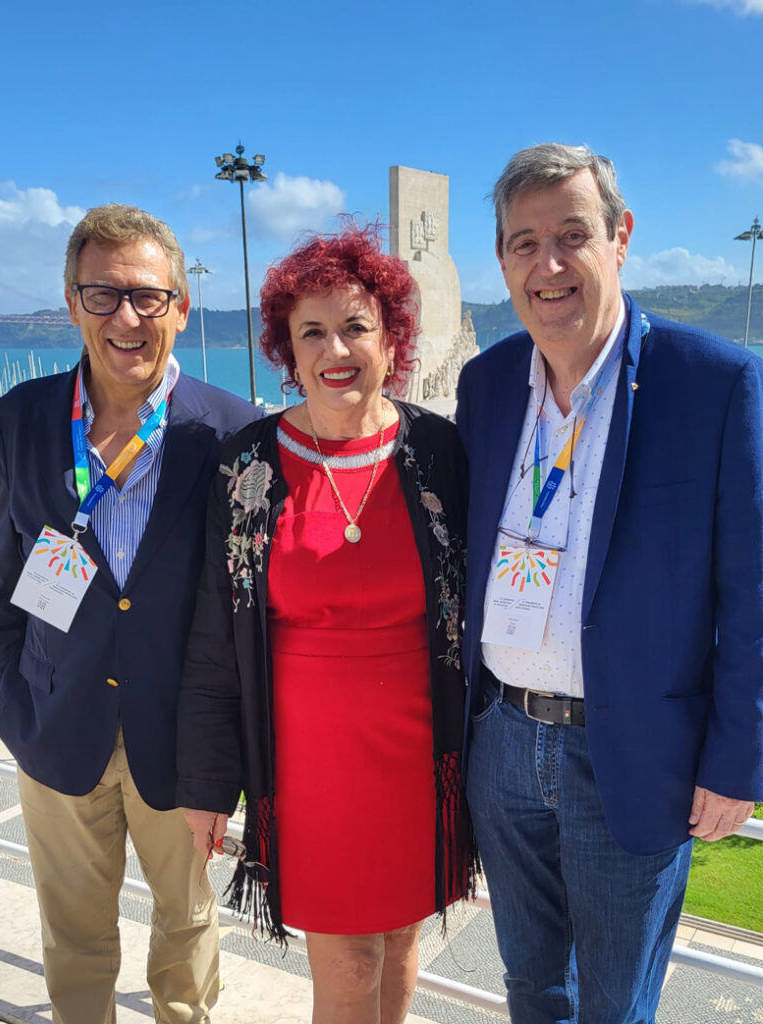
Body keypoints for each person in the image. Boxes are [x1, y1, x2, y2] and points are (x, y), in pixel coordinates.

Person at [456, 143, 763, 1024]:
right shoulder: (486, 386)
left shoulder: (713, 384)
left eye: (571, 236)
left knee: (617, 1003)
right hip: (502, 742)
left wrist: (736, 762)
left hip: (632, 755)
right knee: (529, 986)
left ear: (620, 237)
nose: (546, 266)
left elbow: (751, 593)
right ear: (504, 259)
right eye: (523, 243)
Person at [177, 225, 476, 1024]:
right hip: (311, 765)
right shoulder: (248, 467)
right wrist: (210, 784)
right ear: (287, 348)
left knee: (404, 943)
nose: (335, 348)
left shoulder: (439, 451)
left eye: (356, 326)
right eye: (312, 331)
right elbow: (214, 641)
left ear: (391, 339)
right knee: (347, 965)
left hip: (421, 756)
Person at [0, 203, 260, 1024]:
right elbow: (2, 578)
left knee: (186, 928)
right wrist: (17, 696)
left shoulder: (234, 434)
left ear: (181, 306)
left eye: (148, 297)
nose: (127, 318)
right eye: (102, 295)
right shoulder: (18, 420)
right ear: (71, 305)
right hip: (56, 724)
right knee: (72, 936)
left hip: (179, 740)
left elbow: (246, 608)